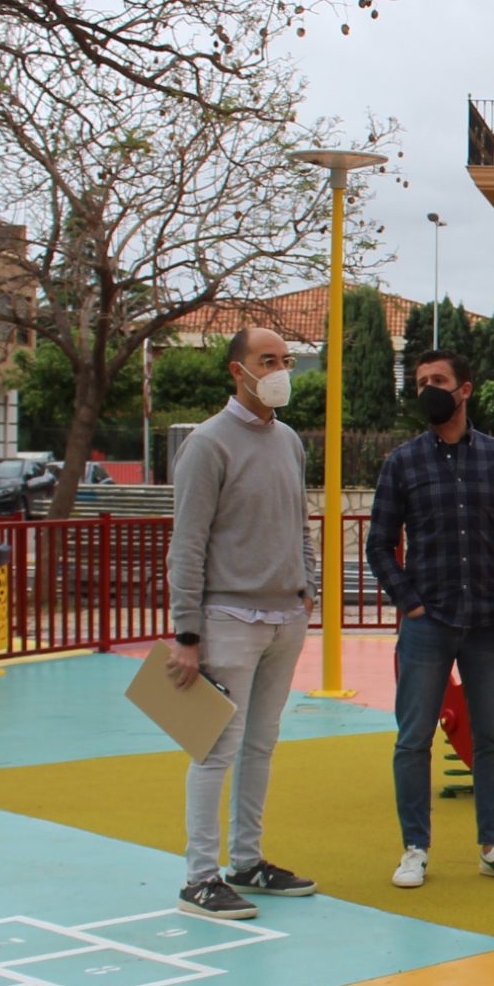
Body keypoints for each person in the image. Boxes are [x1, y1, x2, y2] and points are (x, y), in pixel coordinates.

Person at [366, 347, 494, 889]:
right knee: (412, 738)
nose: (428, 390)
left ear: (464, 389)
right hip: (428, 622)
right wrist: (410, 602)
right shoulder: (402, 462)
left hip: (489, 622)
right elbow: (379, 545)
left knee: (493, 737)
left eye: (438, 380)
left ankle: (493, 845)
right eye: (421, 381)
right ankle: (414, 849)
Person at [164, 326, 322, 919]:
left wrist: (308, 582)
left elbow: (298, 517)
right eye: (267, 359)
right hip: (228, 615)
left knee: (261, 744)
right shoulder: (208, 443)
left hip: (285, 615)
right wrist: (186, 633)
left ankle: (248, 861)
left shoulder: (289, 441)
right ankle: (199, 877)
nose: (280, 368)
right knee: (214, 749)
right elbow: (188, 542)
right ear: (238, 370)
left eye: (285, 359)